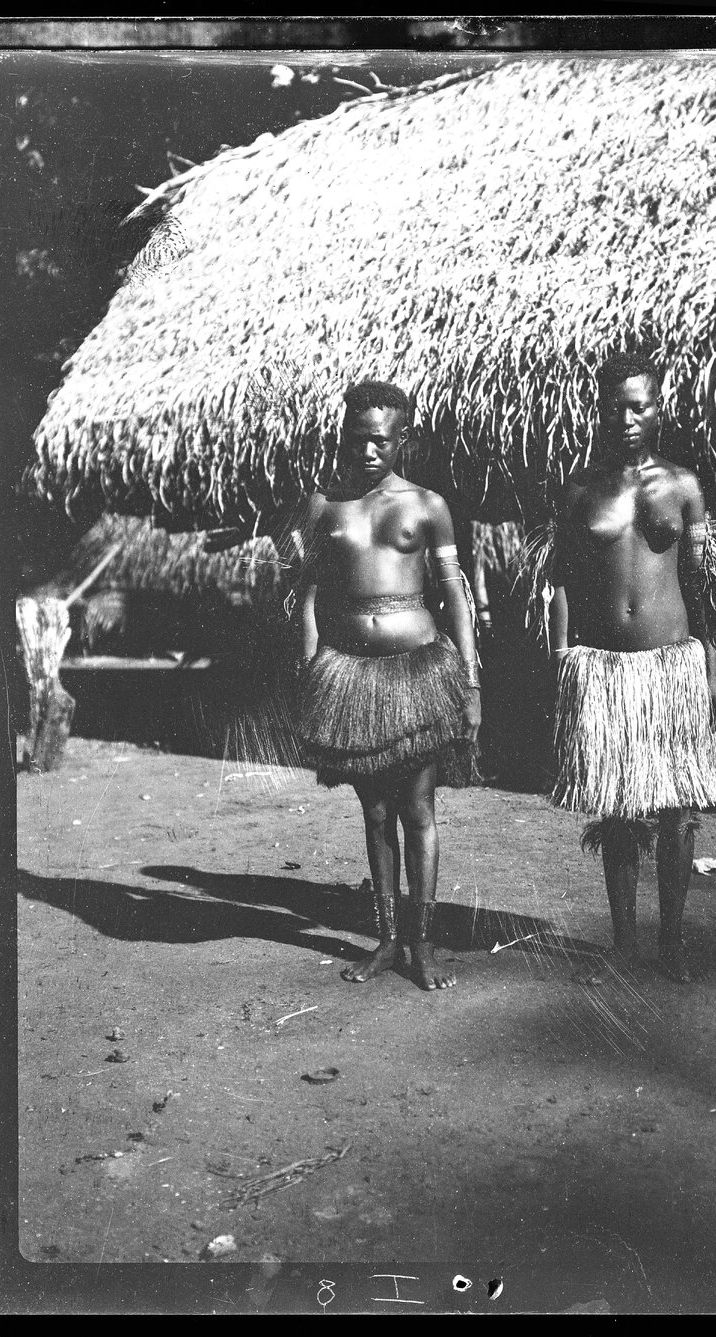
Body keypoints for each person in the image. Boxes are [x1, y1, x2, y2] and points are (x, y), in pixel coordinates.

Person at [548, 353, 716, 983]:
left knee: (678, 811)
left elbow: (704, 583)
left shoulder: (683, 486)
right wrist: (562, 656)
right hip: (603, 670)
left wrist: (710, 662)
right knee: (619, 809)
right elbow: (564, 581)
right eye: (614, 406)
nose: (626, 418)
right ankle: (624, 946)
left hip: (671, 666)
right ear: (598, 408)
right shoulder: (580, 491)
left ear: (658, 408)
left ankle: (672, 945)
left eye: (639, 406)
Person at [288, 380, 481, 991]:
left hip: (419, 670)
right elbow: (311, 592)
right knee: (374, 812)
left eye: (381, 441)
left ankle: (421, 945)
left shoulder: (428, 505)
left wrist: (470, 682)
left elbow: (454, 594)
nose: (369, 452)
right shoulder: (324, 507)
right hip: (351, 676)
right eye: (358, 440)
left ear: (403, 440)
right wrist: (313, 664)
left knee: (417, 808)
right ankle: (387, 938)